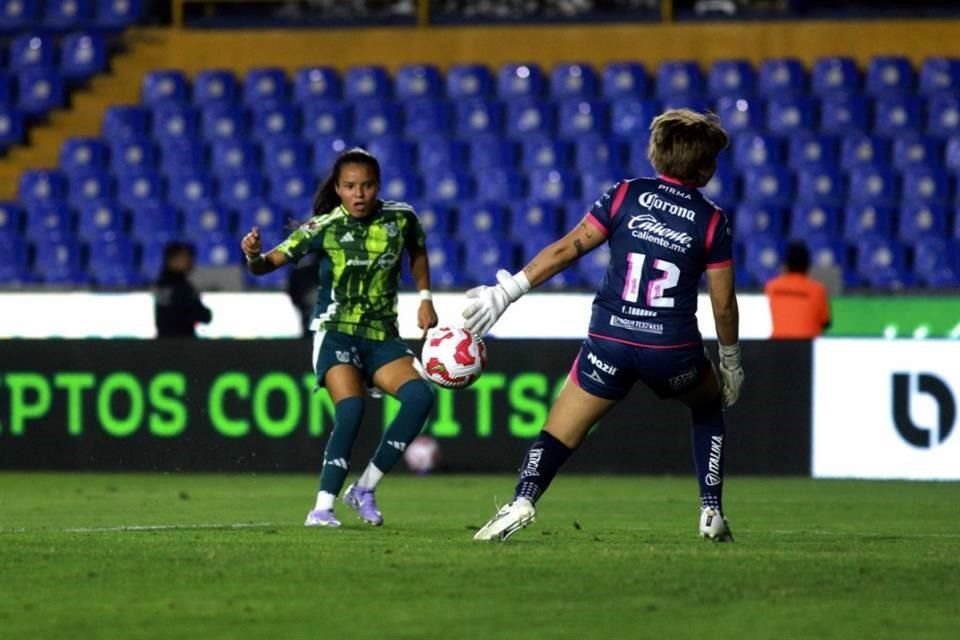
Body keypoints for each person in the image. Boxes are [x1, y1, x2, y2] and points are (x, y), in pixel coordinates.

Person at [465, 109, 744, 542]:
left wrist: (508, 291)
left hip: (610, 340)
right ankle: (710, 510)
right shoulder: (712, 221)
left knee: (559, 433)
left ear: (656, 155)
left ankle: (521, 501)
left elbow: (567, 250)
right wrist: (731, 361)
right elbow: (723, 305)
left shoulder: (624, 195)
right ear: (706, 167)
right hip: (671, 350)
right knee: (707, 405)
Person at [240, 148, 438, 528]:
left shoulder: (401, 217)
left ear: (377, 186)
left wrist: (425, 298)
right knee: (352, 408)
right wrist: (252, 256)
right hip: (336, 331)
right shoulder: (323, 227)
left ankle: (364, 488)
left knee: (419, 397)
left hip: (381, 335)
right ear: (338, 188)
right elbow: (267, 265)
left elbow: (418, 250)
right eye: (350, 187)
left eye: (366, 185)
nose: (359, 194)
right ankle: (322, 508)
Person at [765, 241, 831, 339]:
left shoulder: (771, 287)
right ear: (807, 265)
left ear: (786, 265)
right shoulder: (818, 290)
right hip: (808, 347)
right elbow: (826, 323)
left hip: (777, 346)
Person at [154, 241, 212, 338]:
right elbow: (203, 315)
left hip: (164, 342)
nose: (189, 261)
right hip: (182, 344)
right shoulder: (181, 287)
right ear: (171, 260)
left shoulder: (161, 284)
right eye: (183, 257)